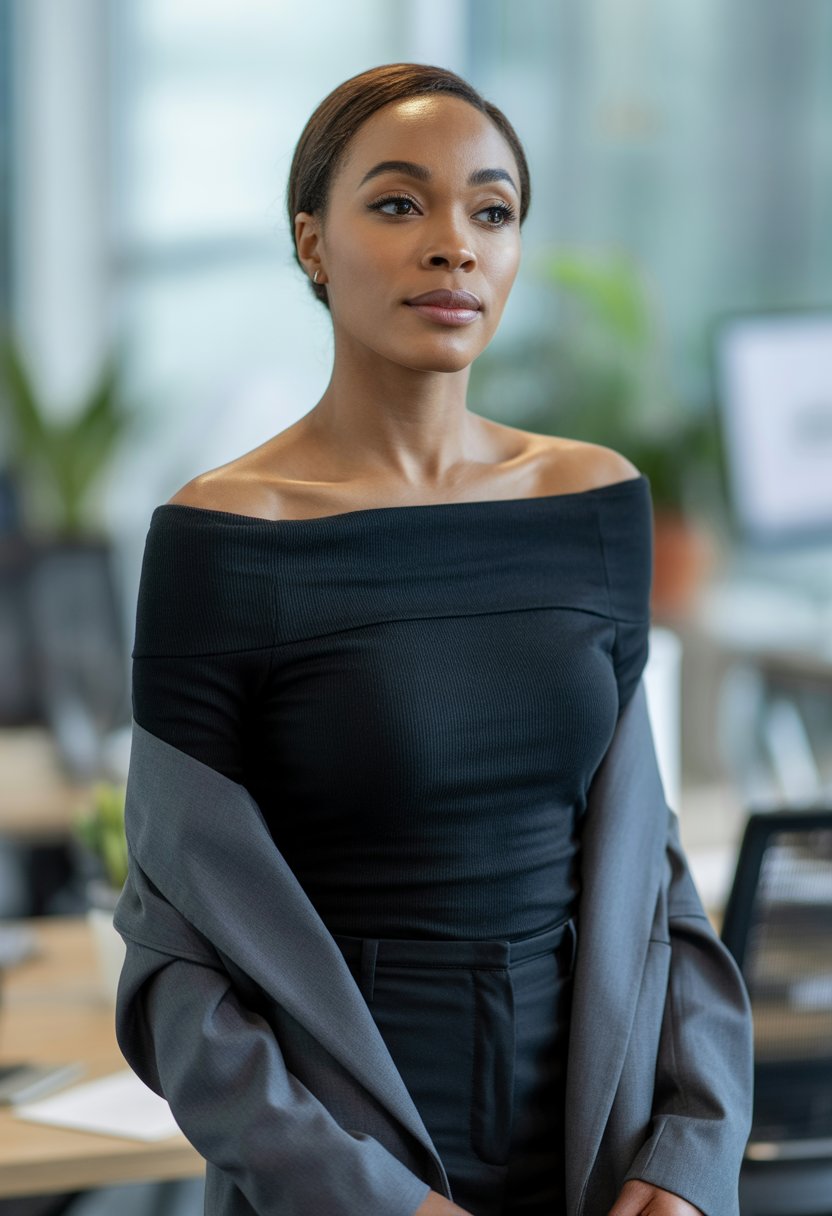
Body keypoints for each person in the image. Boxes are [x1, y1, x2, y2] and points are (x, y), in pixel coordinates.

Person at [115, 63, 753, 1216]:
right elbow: (176, 962)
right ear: (312, 242)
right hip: (338, 1168)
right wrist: (374, 1201)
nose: (454, 245)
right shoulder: (225, 536)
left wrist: (690, 1155)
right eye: (400, 203)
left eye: (491, 211)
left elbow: (651, 885)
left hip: (596, 1154)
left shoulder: (594, 501)